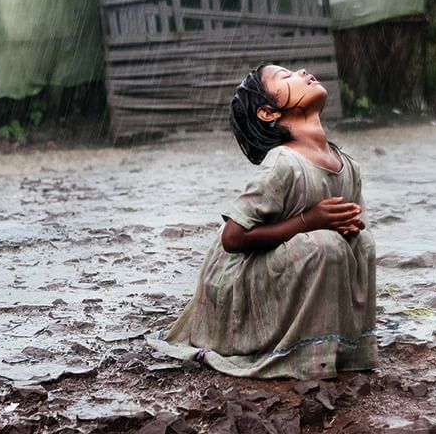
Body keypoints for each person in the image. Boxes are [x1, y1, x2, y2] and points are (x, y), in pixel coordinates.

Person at [148, 64, 377, 379]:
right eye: (285, 76)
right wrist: (307, 221)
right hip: (238, 277)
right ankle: (295, 353)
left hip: (294, 264)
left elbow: (354, 225)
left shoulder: (347, 165)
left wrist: (349, 225)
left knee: (361, 245)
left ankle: (342, 348)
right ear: (268, 113)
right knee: (326, 245)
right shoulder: (283, 163)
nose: (303, 71)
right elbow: (232, 238)